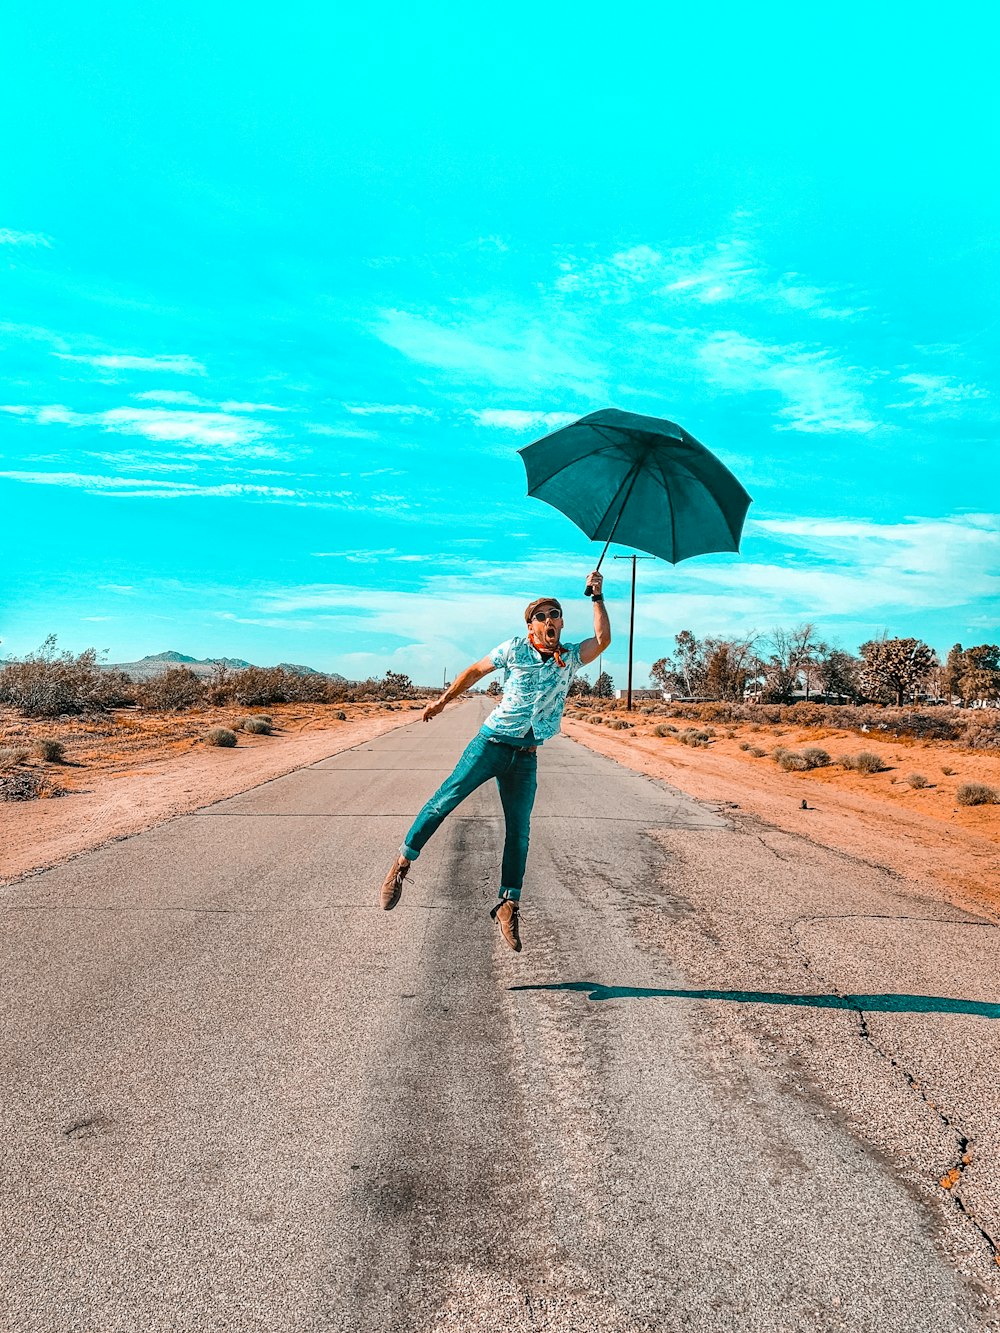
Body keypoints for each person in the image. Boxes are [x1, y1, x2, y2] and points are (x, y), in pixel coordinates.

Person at [379, 570, 611, 951]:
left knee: (519, 831)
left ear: (562, 622)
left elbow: (603, 640)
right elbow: (474, 671)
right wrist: (442, 700)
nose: (549, 619)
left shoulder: (568, 658)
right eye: (541, 616)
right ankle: (401, 865)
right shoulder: (514, 649)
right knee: (443, 802)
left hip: (526, 757)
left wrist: (597, 597)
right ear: (530, 625)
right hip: (490, 745)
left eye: (555, 614)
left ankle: (507, 904)